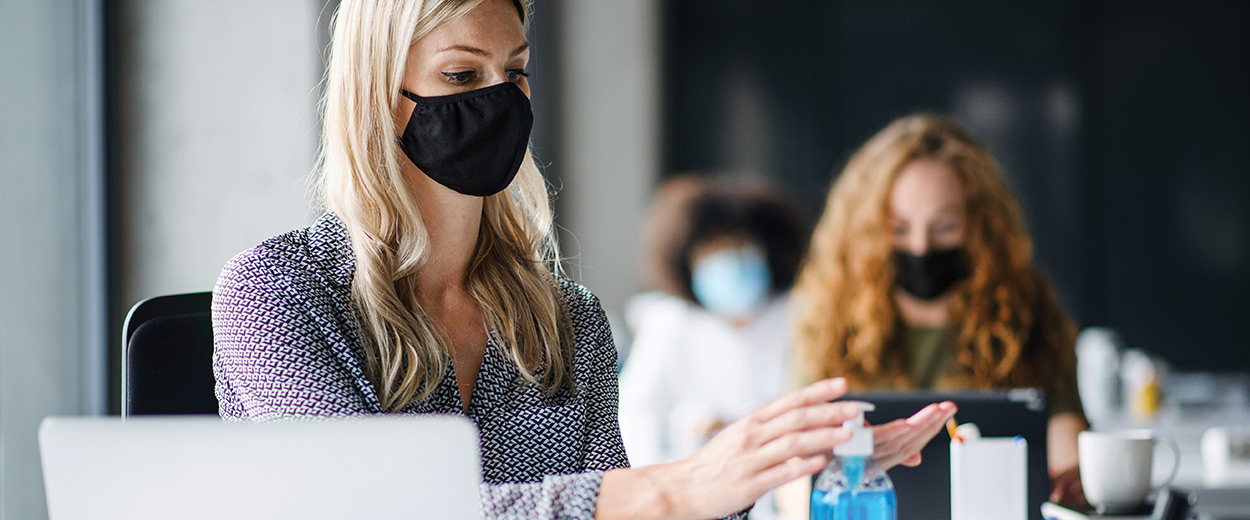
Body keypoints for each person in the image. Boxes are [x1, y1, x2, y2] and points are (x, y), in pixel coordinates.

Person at [211, 1, 956, 518]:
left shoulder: (566, 316)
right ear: (379, 96)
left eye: (516, 71)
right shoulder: (275, 294)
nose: (500, 99)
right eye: (462, 77)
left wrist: (774, 473)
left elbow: (628, 514)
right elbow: (371, 512)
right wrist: (669, 491)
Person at [790, 113, 1089, 507]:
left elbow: (1062, 430)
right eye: (898, 229)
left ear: (980, 225)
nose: (920, 247)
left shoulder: (1025, 306)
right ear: (867, 231)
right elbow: (795, 467)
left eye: (944, 227)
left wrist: (1074, 477)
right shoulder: (828, 315)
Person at [620, 175, 809, 470]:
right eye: (711, 250)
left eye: (740, 245)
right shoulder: (671, 321)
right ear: (685, 260)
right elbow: (634, 414)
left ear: (770, 250)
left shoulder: (801, 314)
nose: (728, 259)